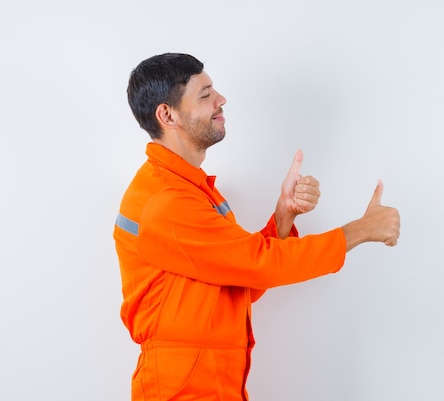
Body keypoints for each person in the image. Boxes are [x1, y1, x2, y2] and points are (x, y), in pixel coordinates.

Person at [114, 52, 400, 401]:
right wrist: (362, 229)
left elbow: (238, 279)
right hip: (184, 389)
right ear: (167, 114)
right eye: (205, 95)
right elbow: (258, 263)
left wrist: (283, 217)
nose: (221, 100)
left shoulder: (188, 189)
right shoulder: (168, 200)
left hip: (208, 382)